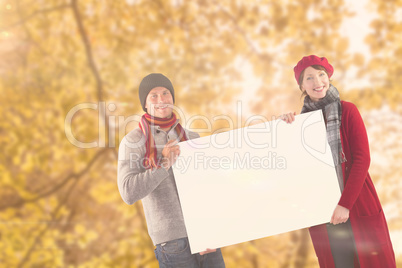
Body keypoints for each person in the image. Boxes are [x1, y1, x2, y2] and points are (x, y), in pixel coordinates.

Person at [281, 55, 396, 268]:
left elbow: (362, 159)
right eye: (309, 78)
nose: (317, 82)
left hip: (356, 203)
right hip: (323, 211)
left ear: (329, 77)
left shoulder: (348, 110)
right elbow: (293, 168)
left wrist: (345, 204)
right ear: (302, 86)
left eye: (321, 75)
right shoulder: (300, 124)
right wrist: (284, 128)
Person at [117, 73, 225, 268]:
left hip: (205, 235)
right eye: (154, 96)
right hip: (172, 243)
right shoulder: (133, 141)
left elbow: (206, 187)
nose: (161, 100)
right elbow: (128, 192)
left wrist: (210, 229)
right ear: (145, 103)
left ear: (172, 97)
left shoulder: (192, 136)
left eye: (165, 93)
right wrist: (164, 164)